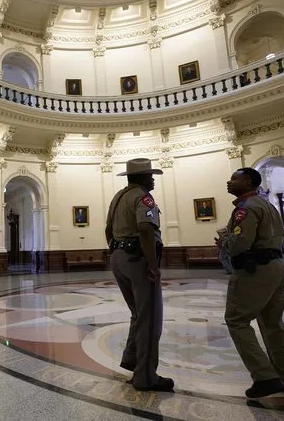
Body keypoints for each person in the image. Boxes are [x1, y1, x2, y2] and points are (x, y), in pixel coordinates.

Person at [216, 167, 284, 399]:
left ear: (247, 181)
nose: (229, 182)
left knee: (236, 320)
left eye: (234, 178)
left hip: (256, 270)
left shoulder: (246, 209)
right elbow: (283, 237)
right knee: (273, 325)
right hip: (277, 267)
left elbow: (239, 244)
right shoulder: (268, 205)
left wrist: (224, 241)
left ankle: (265, 377)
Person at [105, 158, 174, 393]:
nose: (153, 179)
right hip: (138, 259)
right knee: (150, 318)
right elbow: (146, 229)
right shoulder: (143, 197)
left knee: (137, 313)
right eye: (151, 175)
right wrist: (153, 265)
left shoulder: (118, 197)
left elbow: (107, 230)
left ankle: (132, 358)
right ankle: (146, 377)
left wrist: (118, 252)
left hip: (118, 256)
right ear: (143, 178)